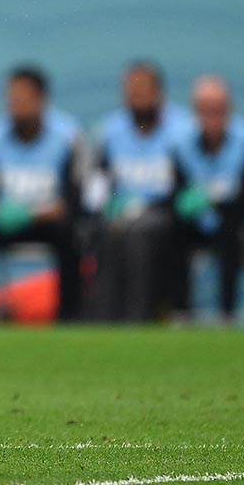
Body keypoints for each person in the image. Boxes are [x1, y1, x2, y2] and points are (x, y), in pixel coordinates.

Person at [0, 66, 83, 322]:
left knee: (70, 232)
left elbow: (74, 200)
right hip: (6, 222)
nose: (16, 104)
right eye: (12, 98)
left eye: (24, 98)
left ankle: (68, 315)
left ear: (41, 99)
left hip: (46, 223)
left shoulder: (67, 137)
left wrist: (32, 215)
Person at [91, 61, 192, 322]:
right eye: (130, 90)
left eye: (143, 89)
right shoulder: (111, 131)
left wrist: (151, 207)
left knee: (140, 232)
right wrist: (105, 203)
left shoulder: (182, 130)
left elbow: (189, 181)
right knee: (105, 231)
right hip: (121, 211)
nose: (136, 96)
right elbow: (100, 180)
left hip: (166, 214)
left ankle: (139, 316)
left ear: (159, 92)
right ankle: (104, 317)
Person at [170, 76, 244, 322]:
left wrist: (209, 199)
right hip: (200, 220)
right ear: (196, 112)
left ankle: (227, 313)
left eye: (218, 110)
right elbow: (179, 193)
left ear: (229, 109)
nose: (213, 117)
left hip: (242, 220)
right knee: (172, 228)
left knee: (230, 229)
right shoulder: (182, 144)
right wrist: (199, 203)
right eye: (206, 110)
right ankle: (182, 311)